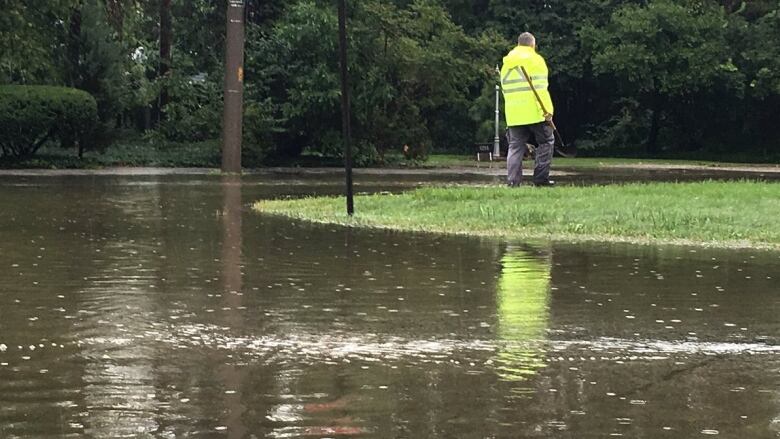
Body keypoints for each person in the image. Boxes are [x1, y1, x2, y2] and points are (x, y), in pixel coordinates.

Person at [500, 32, 555, 187]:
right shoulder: (536, 60)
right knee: (546, 142)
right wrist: (547, 112)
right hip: (535, 111)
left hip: (514, 114)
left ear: (518, 44)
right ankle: (540, 179)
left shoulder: (506, 65)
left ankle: (513, 182)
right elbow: (540, 88)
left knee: (515, 146)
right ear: (532, 44)